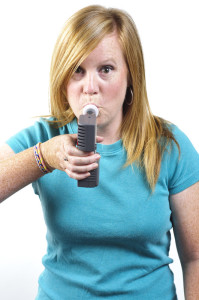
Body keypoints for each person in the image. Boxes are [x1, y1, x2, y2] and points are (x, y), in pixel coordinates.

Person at [0, 5, 199, 300]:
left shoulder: (169, 146)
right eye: (77, 70)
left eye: (105, 69)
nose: (90, 87)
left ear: (131, 75)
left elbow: (195, 257)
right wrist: (43, 157)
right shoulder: (44, 137)